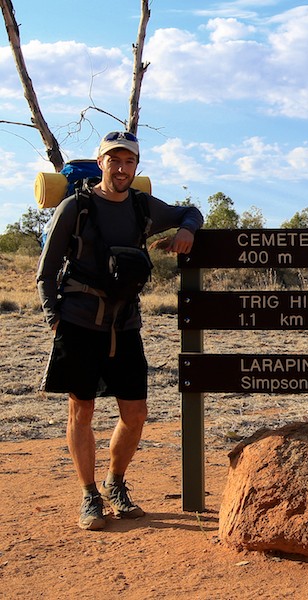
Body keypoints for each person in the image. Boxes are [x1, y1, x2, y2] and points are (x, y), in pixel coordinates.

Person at [37, 131, 204, 531]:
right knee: (82, 410)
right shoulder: (75, 208)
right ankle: (89, 496)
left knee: (136, 413)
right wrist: (53, 318)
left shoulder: (143, 207)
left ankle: (116, 484)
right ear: (101, 164)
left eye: (129, 161)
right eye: (114, 160)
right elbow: (45, 271)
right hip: (78, 322)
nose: (121, 168)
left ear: (136, 167)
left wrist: (187, 231)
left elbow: (192, 211)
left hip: (125, 324)